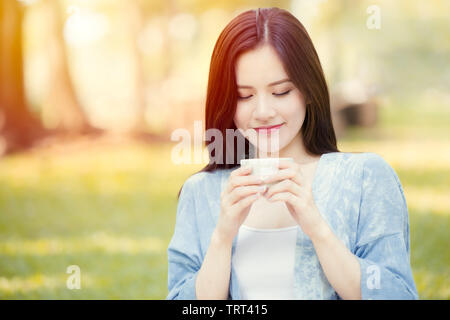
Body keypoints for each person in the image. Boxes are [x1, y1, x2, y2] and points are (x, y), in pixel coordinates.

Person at [166, 7, 418, 300]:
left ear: (308, 90)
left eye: (281, 91)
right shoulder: (201, 193)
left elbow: (397, 294)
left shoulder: (365, 177)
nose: (263, 112)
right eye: (244, 96)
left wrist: (317, 228)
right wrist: (221, 239)